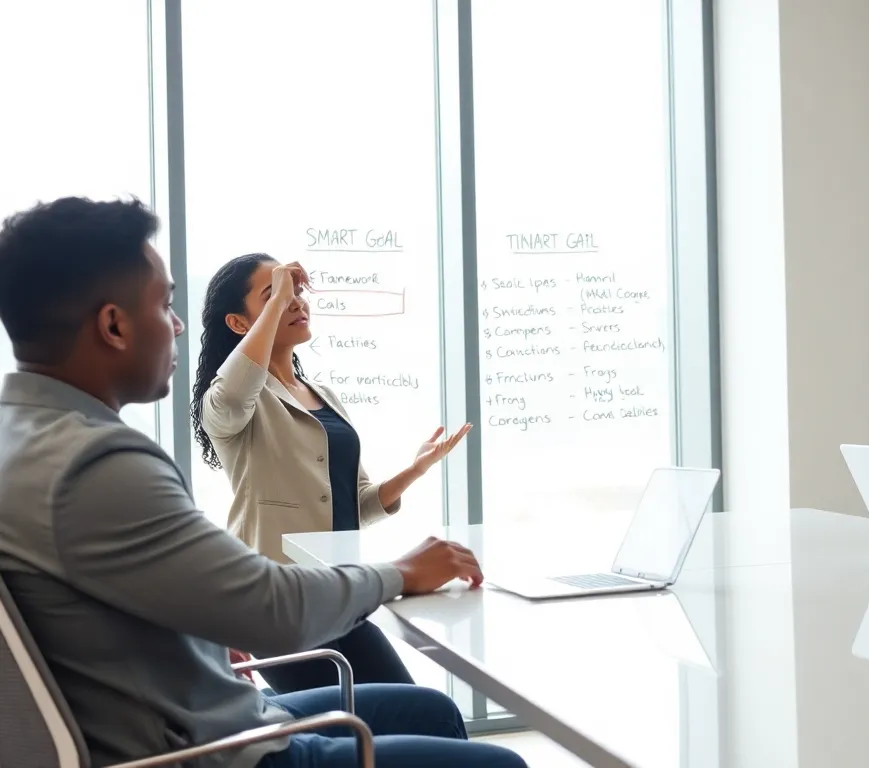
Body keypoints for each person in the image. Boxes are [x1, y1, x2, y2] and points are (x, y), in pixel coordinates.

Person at [0, 197, 524, 768]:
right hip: (221, 747)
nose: (176, 326)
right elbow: (274, 609)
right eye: (166, 305)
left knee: (434, 711)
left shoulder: (24, 439)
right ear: (114, 324)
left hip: (204, 707)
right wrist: (400, 573)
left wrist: (417, 469)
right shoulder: (99, 463)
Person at [189, 252, 471, 693]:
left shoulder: (323, 394)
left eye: (297, 291)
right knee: (358, 728)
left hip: (340, 595)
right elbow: (232, 394)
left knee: (413, 709)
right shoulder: (231, 402)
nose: (296, 301)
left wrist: (416, 469)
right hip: (280, 605)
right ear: (240, 325)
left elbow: (357, 503)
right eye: (276, 295)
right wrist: (283, 289)